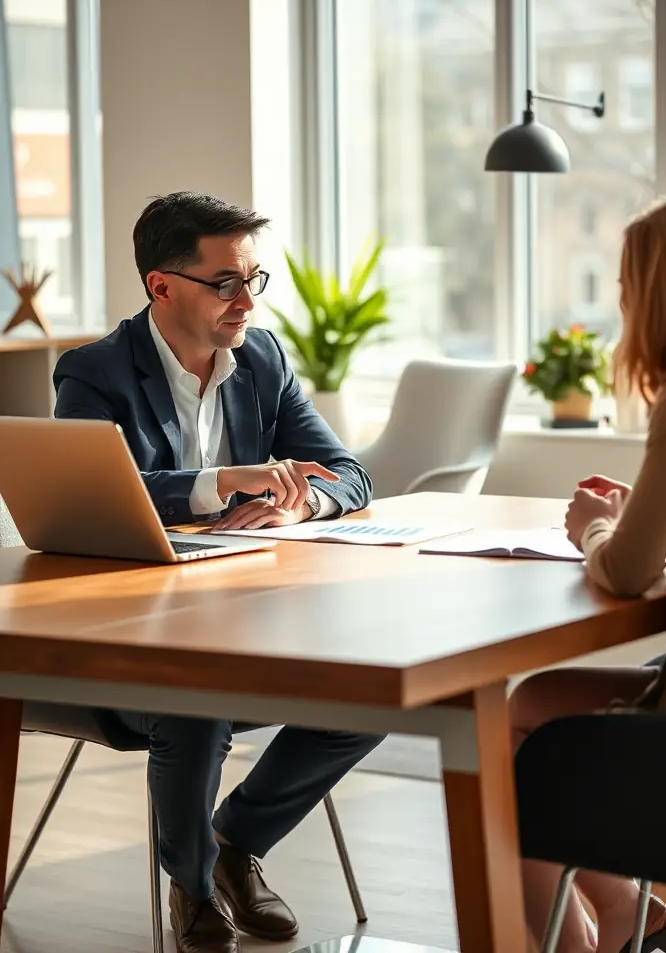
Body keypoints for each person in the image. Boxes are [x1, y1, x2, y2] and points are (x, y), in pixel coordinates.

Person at [53, 192, 385, 953]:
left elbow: (348, 473)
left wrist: (300, 508)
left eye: (253, 280)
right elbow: (95, 487)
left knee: (373, 691)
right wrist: (219, 481)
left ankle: (237, 843)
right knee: (192, 699)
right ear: (161, 285)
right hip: (120, 641)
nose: (246, 300)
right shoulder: (96, 372)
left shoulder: (263, 360)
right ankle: (195, 886)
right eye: (226, 282)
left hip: (249, 621)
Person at [509, 194, 666, 953]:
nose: (620, 296)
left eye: (629, 281)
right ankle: (630, 915)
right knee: (531, 702)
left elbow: (623, 573)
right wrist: (637, 520)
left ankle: (585, 937)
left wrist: (590, 525)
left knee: (501, 735)